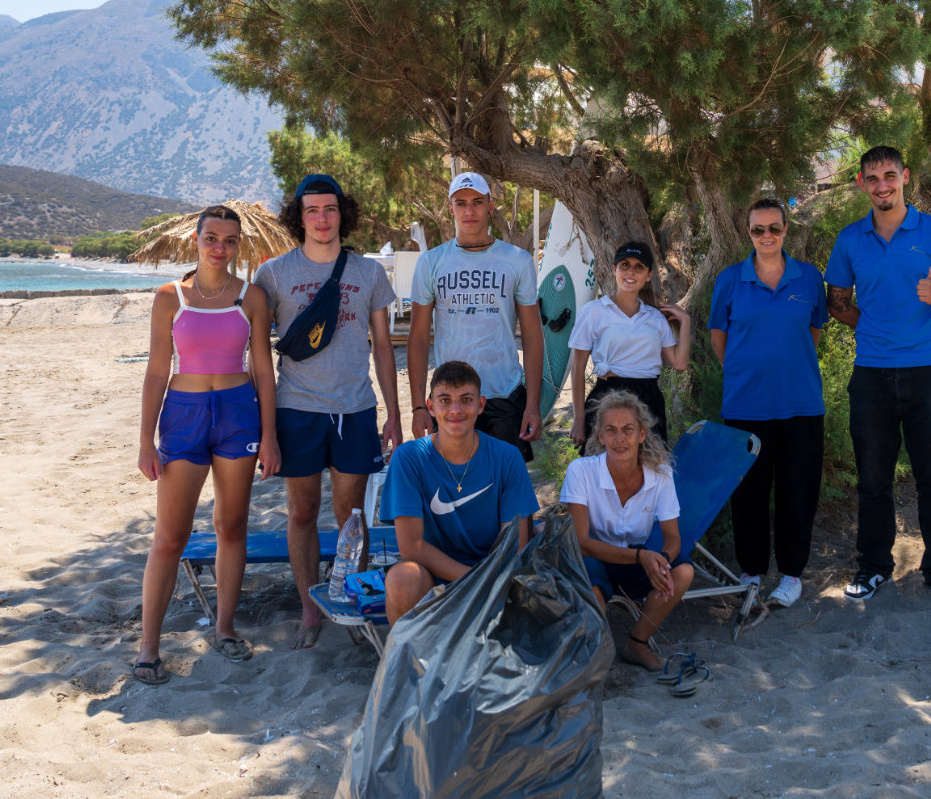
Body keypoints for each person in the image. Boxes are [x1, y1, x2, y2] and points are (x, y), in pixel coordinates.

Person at [132, 205, 280, 683]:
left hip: (239, 415)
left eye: (230, 240)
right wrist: (145, 441)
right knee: (170, 537)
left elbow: (262, 370)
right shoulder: (169, 297)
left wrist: (270, 435)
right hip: (184, 415)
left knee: (231, 526)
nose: (221, 247)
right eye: (212, 238)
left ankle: (225, 628)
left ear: (240, 246)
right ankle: (148, 649)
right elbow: (157, 371)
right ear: (195, 241)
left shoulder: (251, 297)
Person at [255, 173, 403, 650]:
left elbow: (383, 347)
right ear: (299, 216)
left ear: (344, 213)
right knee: (301, 512)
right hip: (296, 408)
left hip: (355, 408)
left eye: (330, 209)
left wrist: (394, 413)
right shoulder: (273, 274)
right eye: (312, 210)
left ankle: (351, 601)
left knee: (351, 516)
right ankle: (308, 608)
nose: (322, 218)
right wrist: (266, 432)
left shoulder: (368, 273)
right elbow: (255, 353)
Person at [825, 146, 931, 605]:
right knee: (873, 481)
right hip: (871, 374)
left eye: (889, 176)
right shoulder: (850, 240)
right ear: (861, 184)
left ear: (905, 177)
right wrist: (871, 324)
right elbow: (837, 303)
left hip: (927, 374)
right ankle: (874, 567)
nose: (882, 186)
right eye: (872, 179)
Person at [708, 198, 828, 610]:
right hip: (746, 406)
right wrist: (748, 371)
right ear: (748, 233)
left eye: (774, 228)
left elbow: (813, 332)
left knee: (798, 492)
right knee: (750, 494)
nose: (767, 236)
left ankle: (792, 575)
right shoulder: (729, 280)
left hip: (801, 405)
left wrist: (786, 367)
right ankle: (751, 572)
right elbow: (719, 339)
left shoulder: (809, 279)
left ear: (786, 230)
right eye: (758, 230)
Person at [382, 361, 540, 623]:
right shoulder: (409, 458)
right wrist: (473, 579)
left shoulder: (507, 457)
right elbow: (412, 548)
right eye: (445, 400)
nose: (455, 410)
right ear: (430, 407)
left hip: (495, 575)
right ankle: (410, 661)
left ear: (481, 405)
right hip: (434, 574)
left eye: (466, 399)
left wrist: (487, 581)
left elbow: (517, 545)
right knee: (400, 579)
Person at [407, 172, 543, 459]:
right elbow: (418, 337)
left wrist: (533, 403)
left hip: (504, 395)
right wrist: (419, 406)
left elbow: (532, 335)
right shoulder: (431, 262)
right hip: (450, 401)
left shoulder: (517, 260)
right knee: (452, 491)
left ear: (490, 207)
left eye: (477, 202)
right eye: (461, 203)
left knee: (505, 494)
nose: (469, 211)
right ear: (450, 208)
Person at [560, 391, 695, 672]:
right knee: (593, 589)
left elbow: (672, 538)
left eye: (628, 430)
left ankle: (637, 642)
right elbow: (581, 543)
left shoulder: (659, 473)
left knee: (682, 571)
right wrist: (641, 558)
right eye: (611, 430)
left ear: (642, 434)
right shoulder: (581, 471)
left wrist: (663, 561)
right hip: (591, 555)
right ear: (600, 436)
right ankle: (595, 653)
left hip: (634, 554)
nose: (620, 438)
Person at [567, 240, 692, 452]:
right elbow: (578, 367)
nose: (630, 272)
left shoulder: (655, 318)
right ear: (614, 269)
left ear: (649, 275)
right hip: (606, 398)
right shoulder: (594, 311)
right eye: (624, 265)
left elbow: (679, 363)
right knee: (603, 473)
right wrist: (579, 420)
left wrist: (685, 321)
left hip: (648, 401)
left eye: (639, 267)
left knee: (649, 472)